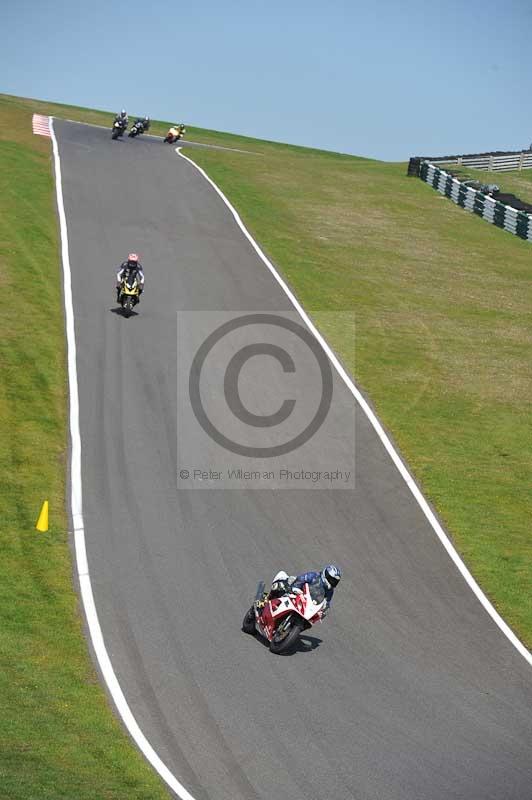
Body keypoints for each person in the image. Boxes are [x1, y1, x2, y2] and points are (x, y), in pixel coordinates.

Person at [262, 564, 342, 614]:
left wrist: (322, 611)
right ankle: (265, 600)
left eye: (335, 582)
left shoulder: (330, 591)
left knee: (308, 623)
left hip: (308, 606)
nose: (332, 583)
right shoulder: (314, 576)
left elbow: (326, 603)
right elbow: (301, 579)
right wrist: (295, 588)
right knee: (280, 586)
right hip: (297, 594)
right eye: (332, 580)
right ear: (326, 575)